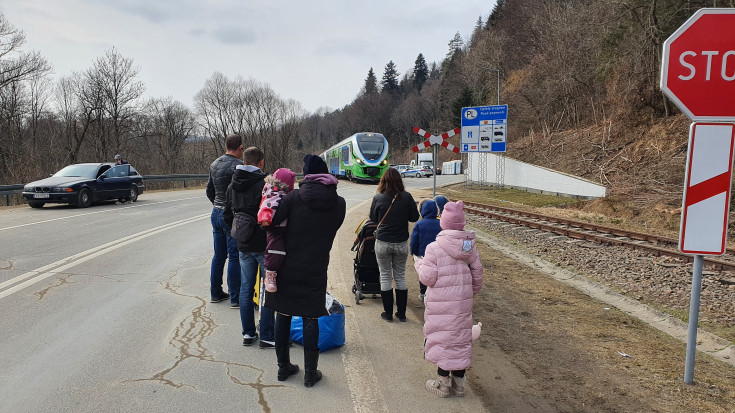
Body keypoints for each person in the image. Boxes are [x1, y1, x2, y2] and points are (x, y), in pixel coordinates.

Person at [264, 154, 345, 388]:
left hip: (288, 265)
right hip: (316, 266)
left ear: (307, 175)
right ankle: (311, 373)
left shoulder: (293, 198)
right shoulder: (339, 203)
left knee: (284, 313)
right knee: (311, 317)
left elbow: (273, 223)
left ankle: (283, 369)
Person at [414, 200, 483, 398]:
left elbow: (428, 278)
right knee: (460, 340)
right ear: (462, 225)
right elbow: (477, 274)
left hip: (440, 303)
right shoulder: (470, 248)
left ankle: (442, 384)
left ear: (443, 223)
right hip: (462, 302)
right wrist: (470, 293)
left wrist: (418, 264)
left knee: (443, 338)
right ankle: (459, 385)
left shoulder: (434, 248)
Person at [223, 146, 276, 348]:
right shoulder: (266, 184)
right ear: (261, 162)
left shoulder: (232, 185)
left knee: (246, 289)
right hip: (264, 245)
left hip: (243, 244)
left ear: (243, 162)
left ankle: (248, 333)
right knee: (268, 290)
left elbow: (227, 215)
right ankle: (267, 335)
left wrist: (238, 234)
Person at [369, 168, 419, 322]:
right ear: (399, 180)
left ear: (383, 181)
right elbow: (414, 218)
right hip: (401, 243)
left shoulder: (378, 198)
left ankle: (388, 313)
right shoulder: (407, 197)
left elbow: (373, 218)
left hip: (383, 242)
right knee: (400, 277)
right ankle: (402, 314)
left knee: (385, 277)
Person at [205, 135, 243, 306]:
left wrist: (217, 204)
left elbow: (209, 190)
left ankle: (215, 293)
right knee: (234, 256)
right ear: (240, 148)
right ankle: (235, 298)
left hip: (216, 213)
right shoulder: (239, 166)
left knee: (218, 256)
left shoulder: (214, 164)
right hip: (230, 215)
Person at [258, 168, 296, 293]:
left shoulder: (274, 191)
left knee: (277, 249)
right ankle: (270, 274)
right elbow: (268, 206)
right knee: (275, 250)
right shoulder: (275, 193)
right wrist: (266, 219)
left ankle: (271, 272)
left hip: (278, 227)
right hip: (275, 228)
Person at [410, 199, 442, 303]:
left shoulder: (419, 224)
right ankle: (436, 293)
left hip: (422, 254)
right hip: (438, 254)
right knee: (437, 273)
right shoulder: (441, 224)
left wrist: (413, 252)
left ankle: (423, 293)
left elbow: (414, 241)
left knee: (424, 274)